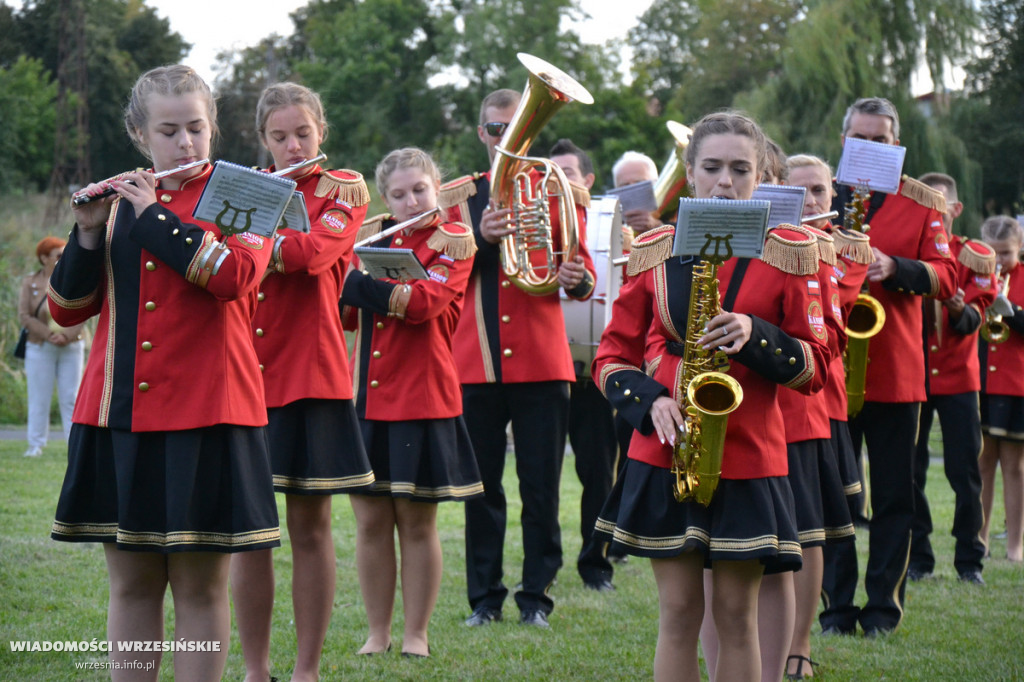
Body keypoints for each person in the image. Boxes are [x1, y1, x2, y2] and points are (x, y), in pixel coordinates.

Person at [49, 65, 280, 680]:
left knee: (201, 590)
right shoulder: (118, 201)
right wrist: (88, 234)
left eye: (197, 128)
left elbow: (234, 278)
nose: (185, 144)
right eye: (169, 131)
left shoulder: (251, 193)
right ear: (138, 134)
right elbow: (67, 311)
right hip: (118, 412)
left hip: (210, 414)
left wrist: (154, 216)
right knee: (131, 586)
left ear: (215, 128)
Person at [593, 110, 830, 682]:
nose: (725, 181)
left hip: (750, 453)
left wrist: (757, 335)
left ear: (763, 174)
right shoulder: (654, 250)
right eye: (713, 167)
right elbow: (610, 356)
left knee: (735, 616)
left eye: (740, 169)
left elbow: (818, 365)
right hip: (667, 449)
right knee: (677, 614)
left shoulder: (791, 252)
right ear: (691, 173)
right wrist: (649, 400)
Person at [229, 82, 374, 682]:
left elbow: (315, 253)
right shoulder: (241, 187)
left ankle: (306, 670)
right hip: (242, 377)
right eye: (279, 136)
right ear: (262, 139)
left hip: (311, 376)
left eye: (303, 134)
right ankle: (256, 669)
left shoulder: (343, 186)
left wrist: (251, 241)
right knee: (249, 534)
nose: (293, 145)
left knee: (310, 528)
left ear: (321, 131)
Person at [442, 88, 597, 629]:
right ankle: (485, 599)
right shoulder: (457, 200)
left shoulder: (560, 192)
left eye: (516, 131)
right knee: (480, 491)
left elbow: (583, 276)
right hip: (476, 364)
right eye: (494, 130)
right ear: (480, 134)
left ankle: (537, 596)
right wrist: (480, 241)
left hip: (543, 362)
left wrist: (577, 280)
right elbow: (441, 272)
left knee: (541, 487)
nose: (504, 140)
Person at [819, 97, 957, 638]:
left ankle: (881, 610)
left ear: (896, 145)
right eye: (861, 138)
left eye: (881, 140)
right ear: (845, 139)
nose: (871, 147)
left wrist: (895, 266)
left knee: (897, 495)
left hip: (896, 371)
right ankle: (835, 609)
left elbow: (946, 278)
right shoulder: (821, 194)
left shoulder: (922, 204)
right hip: (830, 371)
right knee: (835, 496)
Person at [340, 147, 482, 657]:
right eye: (398, 194)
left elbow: (425, 303)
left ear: (436, 187)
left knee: (417, 523)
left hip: (424, 396)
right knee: (371, 522)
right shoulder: (374, 235)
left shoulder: (455, 239)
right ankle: (377, 633)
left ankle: (416, 634)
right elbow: (348, 320)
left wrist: (354, 282)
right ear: (385, 197)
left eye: (419, 189)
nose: (410, 200)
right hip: (367, 396)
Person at [908, 172, 994, 586]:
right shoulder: (909, 253)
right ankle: (920, 557)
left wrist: (959, 311)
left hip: (960, 379)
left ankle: (969, 560)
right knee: (911, 470)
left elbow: (978, 318)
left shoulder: (974, 255)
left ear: (956, 210)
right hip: (914, 376)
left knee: (965, 473)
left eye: (940, 206)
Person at [549, 138, 618, 592]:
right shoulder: (531, 221)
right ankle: (545, 567)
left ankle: (596, 562)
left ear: (588, 182)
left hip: (594, 371)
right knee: (542, 477)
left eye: (567, 175)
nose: (558, 184)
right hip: (544, 367)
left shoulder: (605, 225)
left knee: (597, 471)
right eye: (550, 175)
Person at [977, 215, 1024, 563]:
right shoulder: (978, 275)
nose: (1000, 261)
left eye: (1006, 253)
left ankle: (1015, 546)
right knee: (982, 462)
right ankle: (980, 540)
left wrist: (1013, 312)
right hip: (980, 380)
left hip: (1015, 383)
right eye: (993, 254)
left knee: (1014, 466)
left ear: (1019, 248)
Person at [18, 236, 86, 457]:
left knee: (71, 397)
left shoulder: (75, 278)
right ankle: (35, 444)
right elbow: (25, 316)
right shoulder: (30, 282)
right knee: (39, 396)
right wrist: (48, 335)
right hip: (40, 346)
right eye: (58, 255)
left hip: (72, 345)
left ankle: (72, 446)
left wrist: (66, 335)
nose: (63, 258)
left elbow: (85, 309)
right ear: (44, 258)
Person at [611, 150, 662, 234]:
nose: (632, 189)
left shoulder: (676, 216)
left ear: (656, 183)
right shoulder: (609, 228)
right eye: (625, 186)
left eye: (640, 183)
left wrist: (658, 229)